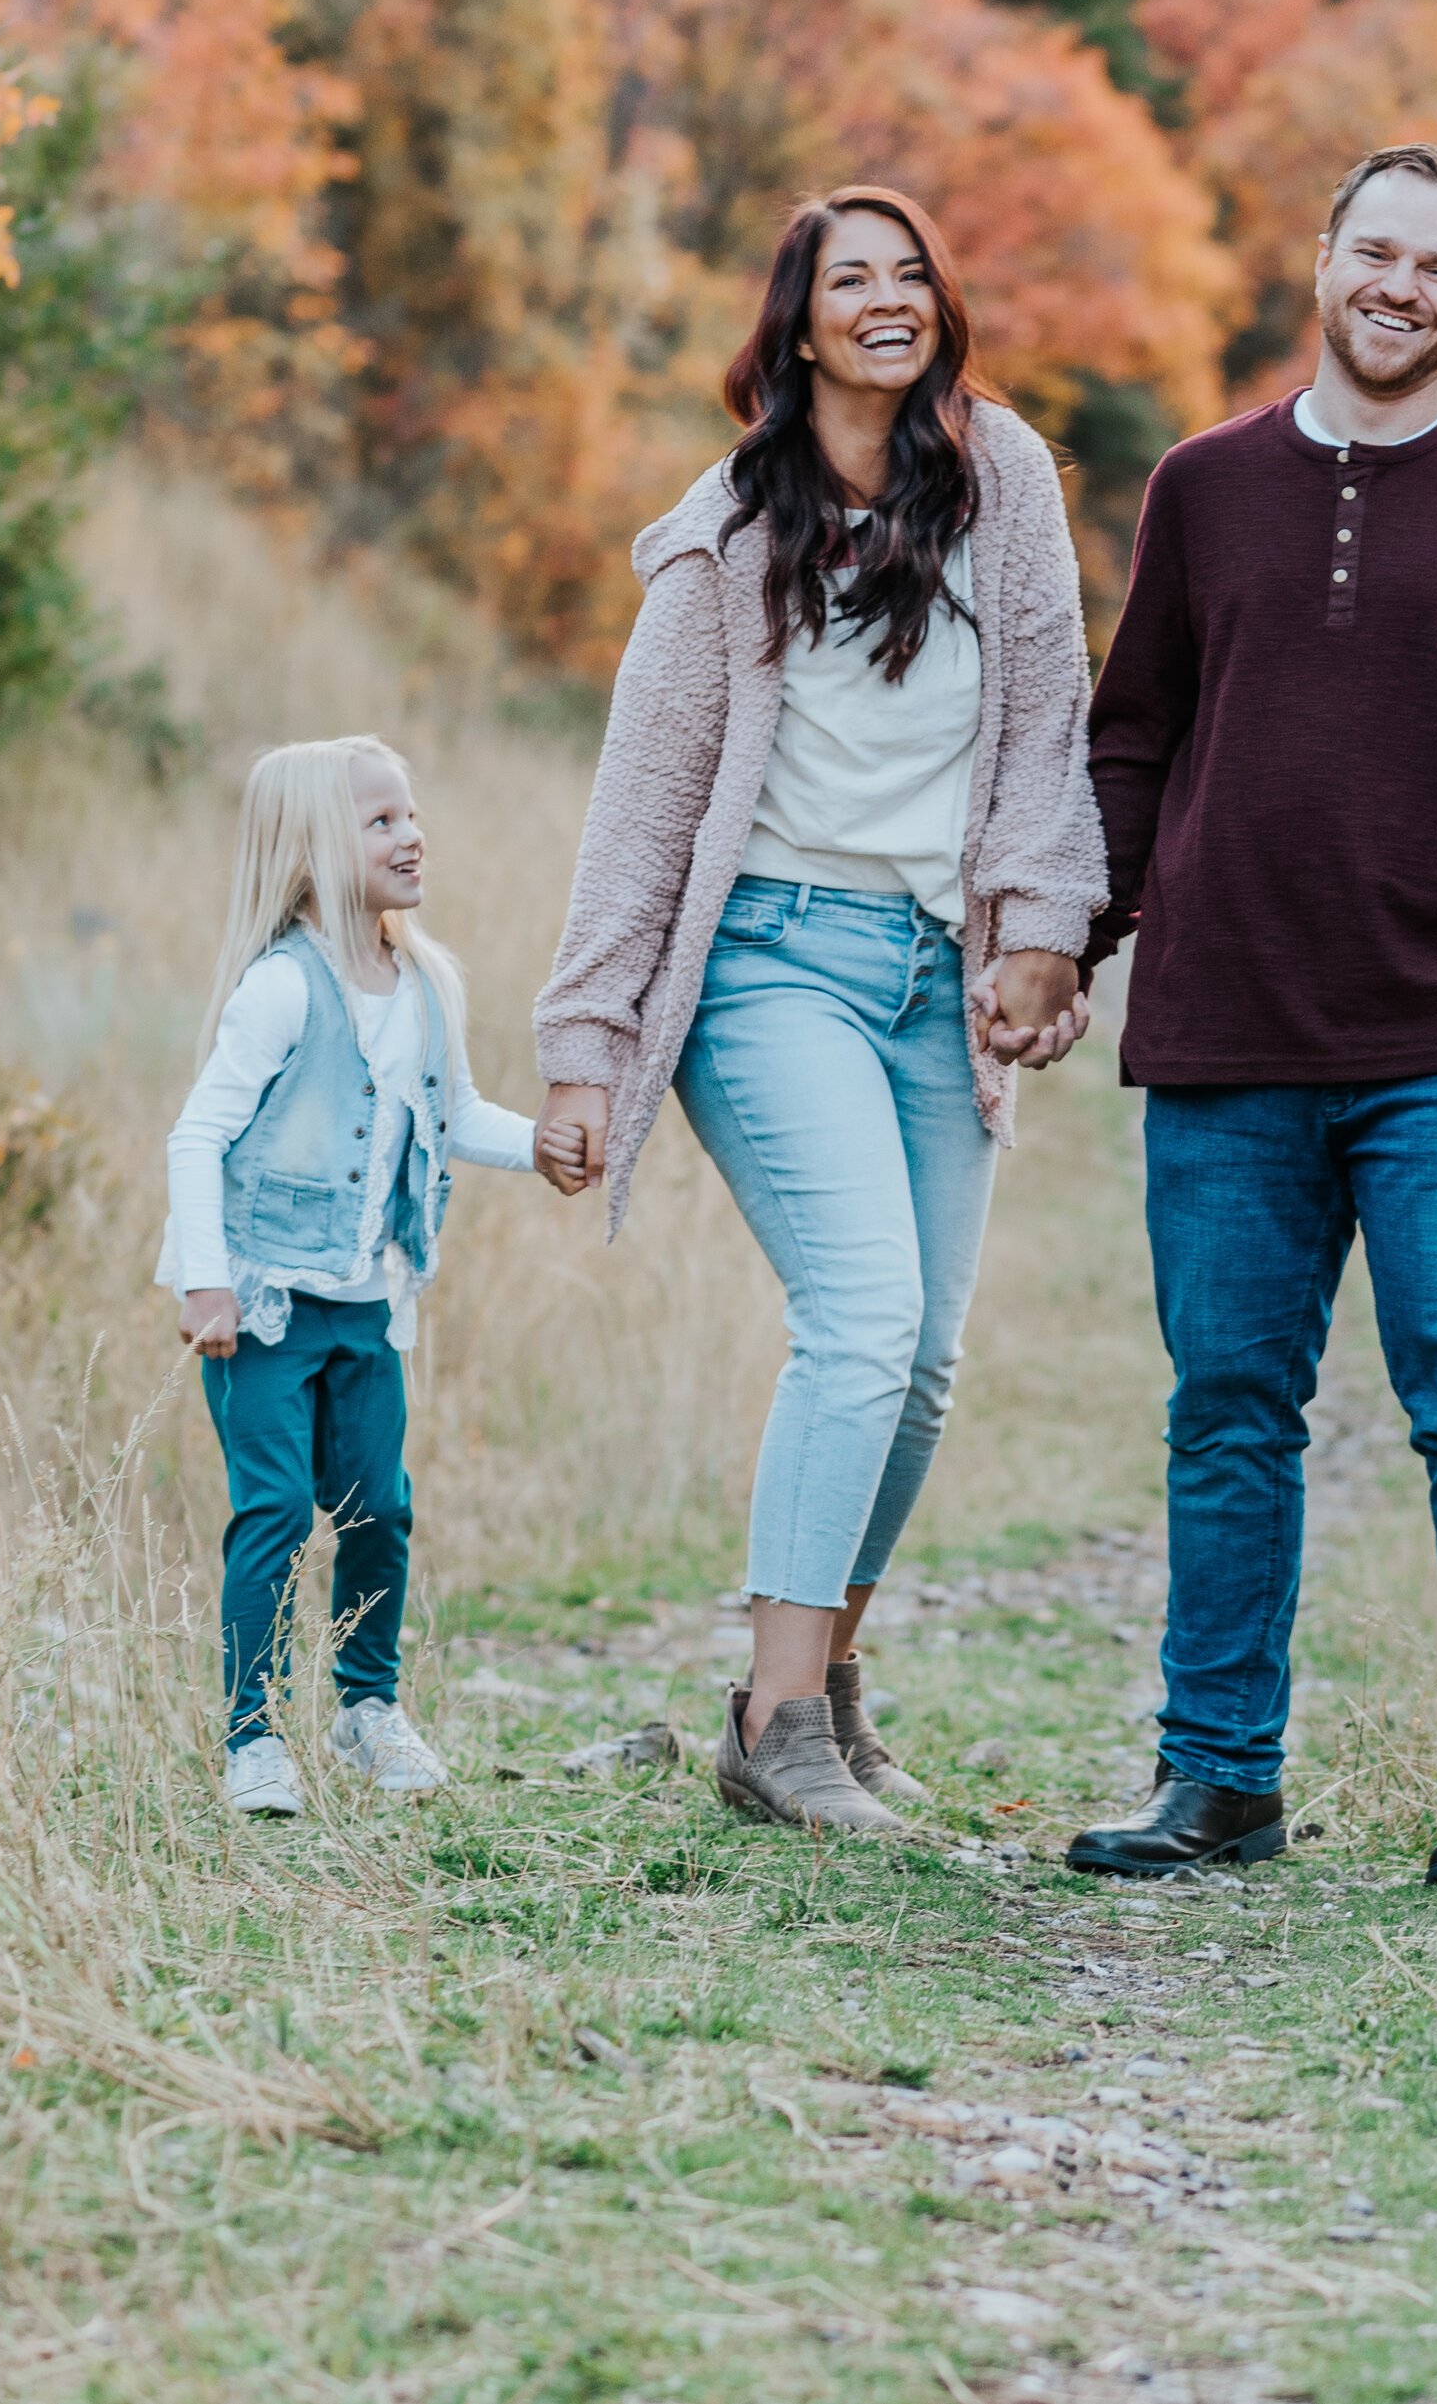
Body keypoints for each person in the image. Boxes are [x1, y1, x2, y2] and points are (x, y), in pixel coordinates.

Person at [1064, 143, 1437, 1889]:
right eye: (1373, 252)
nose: (1399, 287)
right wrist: (1073, 935)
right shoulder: (1202, 485)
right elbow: (1134, 735)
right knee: (1228, 1405)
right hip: (1227, 1024)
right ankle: (1220, 1776)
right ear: (1322, 262)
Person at [533, 187, 1104, 1844]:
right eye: (851, 280)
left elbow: (1050, 729)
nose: (887, 300)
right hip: (772, 964)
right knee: (859, 1316)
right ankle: (775, 1725)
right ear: (797, 323)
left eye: (912, 272)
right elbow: (641, 806)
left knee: (924, 1358)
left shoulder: (1007, 481)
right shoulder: (729, 526)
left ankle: (825, 1696)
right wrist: (584, 1045)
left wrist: (1043, 931)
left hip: (939, 969)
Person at [164, 734, 567, 1818]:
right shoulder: (282, 991)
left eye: (411, 813)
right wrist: (205, 1284)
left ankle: (366, 1706)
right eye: (380, 820)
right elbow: (195, 1136)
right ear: (306, 852)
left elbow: (455, 1112)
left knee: (378, 1506)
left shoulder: (428, 980)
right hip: (263, 1305)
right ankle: (253, 1736)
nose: (411, 833)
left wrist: (541, 1146)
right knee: (277, 1511)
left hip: (368, 1298)